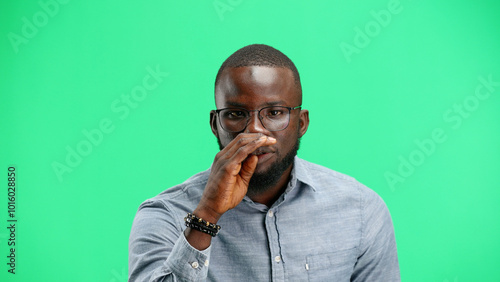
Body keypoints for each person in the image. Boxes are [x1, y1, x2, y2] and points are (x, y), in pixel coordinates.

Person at [128, 44, 400, 281]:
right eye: (236, 113)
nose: (255, 131)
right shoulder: (164, 215)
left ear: (301, 123)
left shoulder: (362, 211)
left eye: (275, 113)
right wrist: (206, 215)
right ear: (215, 124)